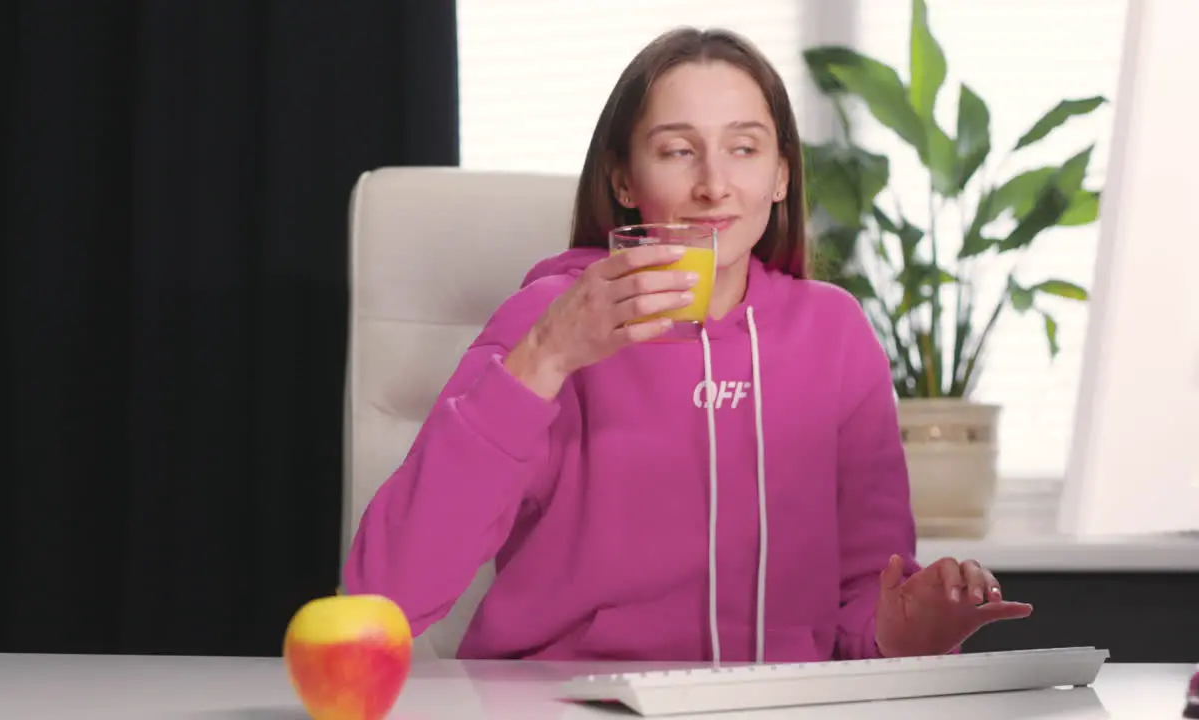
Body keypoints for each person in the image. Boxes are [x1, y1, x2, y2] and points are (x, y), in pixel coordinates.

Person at [343, 26, 1033, 663]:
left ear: (781, 174)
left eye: (744, 148)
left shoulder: (836, 334)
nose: (713, 184)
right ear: (623, 178)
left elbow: (861, 611)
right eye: (677, 150)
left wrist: (907, 629)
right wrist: (544, 358)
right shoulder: (550, 317)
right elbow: (382, 598)